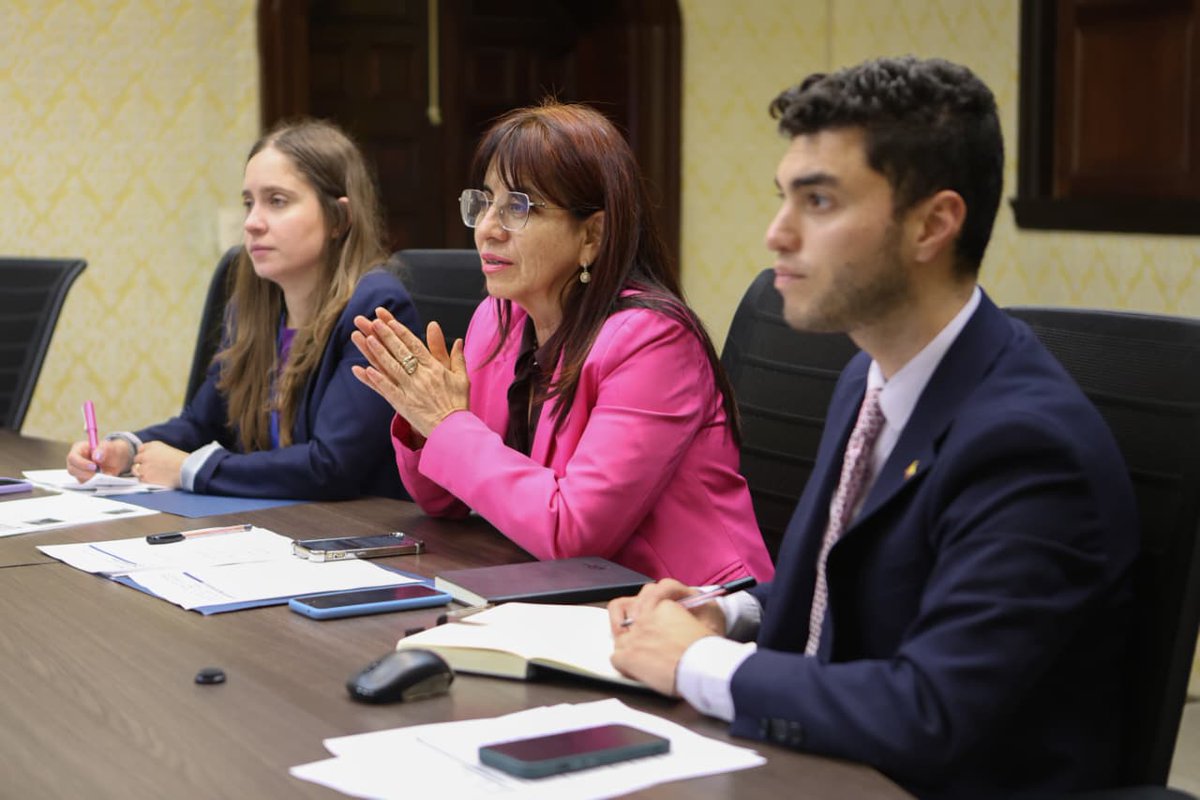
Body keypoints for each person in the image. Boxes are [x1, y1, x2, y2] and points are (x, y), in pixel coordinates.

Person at [608, 57, 1139, 799]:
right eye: (783, 199)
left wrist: (695, 664)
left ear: (933, 224)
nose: (776, 235)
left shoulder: (1030, 447)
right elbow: (853, 576)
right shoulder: (870, 374)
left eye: (818, 202)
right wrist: (727, 610)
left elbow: (929, 712)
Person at [350, 101, 773, 585]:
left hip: (688, 609)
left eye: (518, 207)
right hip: (565, 591)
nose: (488, 227)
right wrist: (428, 422)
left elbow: (574, 532)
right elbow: (442, 501)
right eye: (484, 202)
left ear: (592, 235)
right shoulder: (501, 318)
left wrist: (450, 425)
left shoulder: (654, 342)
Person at [66, 119, 416, 499]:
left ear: (339, 218)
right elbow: (201, 424)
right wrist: (127, 449)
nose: (252, 223)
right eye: (249, 203)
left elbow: (331, 466)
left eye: (277, 201)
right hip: (272, 529)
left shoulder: (377, 307)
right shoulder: (252, 310)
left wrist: (190, 470)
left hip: (353, 537)